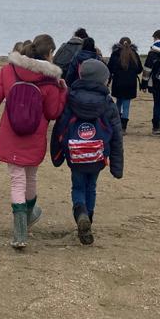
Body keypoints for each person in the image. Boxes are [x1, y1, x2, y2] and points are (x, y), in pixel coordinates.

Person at [0, 35, 66, 250]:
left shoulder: (9, 70)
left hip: (11, 134)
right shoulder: (50, 79)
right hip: (35, 136)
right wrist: (62, 91)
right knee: (30, 178)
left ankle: (20, 233)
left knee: (17, 181)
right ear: (49, 54)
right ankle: (26, 221)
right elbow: (53, 112)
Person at [50, 59, 124, 246]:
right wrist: (117, 166)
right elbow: (116, 134)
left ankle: (80, 213)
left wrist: (57, 154)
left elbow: (60, 127)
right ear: (103, 80)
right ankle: (88, 219)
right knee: (91, 187)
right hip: (98, 155)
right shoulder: (108, 102)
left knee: (78, 187)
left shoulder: (70, 97)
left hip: (75, 155)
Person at [107, 37, 143, 132]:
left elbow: (109, 68)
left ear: (119, 44)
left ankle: (117, 124)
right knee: (126, 104)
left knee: (118, 101)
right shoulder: (134, 54)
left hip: (118, 82)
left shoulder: (115, 54)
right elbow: (139, 69)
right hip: (130, 83)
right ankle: (124, 126)